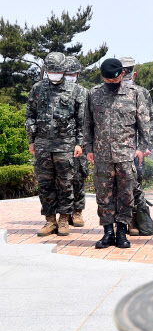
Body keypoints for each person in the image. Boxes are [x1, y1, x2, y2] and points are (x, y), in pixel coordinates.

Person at [85, 58, 152, 249]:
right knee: (103, 194)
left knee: (126, 194)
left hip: (126, 155)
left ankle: (122, 231)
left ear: (122, 74)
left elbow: (144, 124)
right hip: (102, 155)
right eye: (107, 81)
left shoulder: (135, 94)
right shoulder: (94, 94)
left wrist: (142, 148)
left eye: (114, 81)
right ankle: (107, 232)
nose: (111, 84)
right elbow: (87, 124)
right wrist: (89, 149)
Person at [25, 52, 86, 237]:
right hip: (43, 144)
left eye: (57, 70)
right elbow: (30, 115)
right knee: (45, 184)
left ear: (63, 70)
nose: (54, 73)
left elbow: (81, 120)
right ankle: (50, 220)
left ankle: (64, 219)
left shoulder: (74, 90)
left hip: (66, 145)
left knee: (66, 183)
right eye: (51, 70)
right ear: (46, 70)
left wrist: (79, 143)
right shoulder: (37, 88)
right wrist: (31, 140)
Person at [118, 57, 153, 236]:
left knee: (135, 186)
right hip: (116, 149)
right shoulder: (108, 91)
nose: (125, 77)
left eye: (128, 73)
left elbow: (150, 121)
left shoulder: (142, 93)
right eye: (122, 73)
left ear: (133, 74)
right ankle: (121, 222)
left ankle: (134, 220)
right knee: (117, 187)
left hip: (136, 151)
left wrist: (145, 145)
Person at [63, 55, 89, 228]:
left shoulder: (84, 92)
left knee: (79, 176)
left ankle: (77, 211)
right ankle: (64, 212)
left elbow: (87, 120)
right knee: (63, 178)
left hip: (81, 142)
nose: (70, 76)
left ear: (78, 74)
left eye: (73, 74)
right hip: (62, 142)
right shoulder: (56, 91)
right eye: (67, 73)